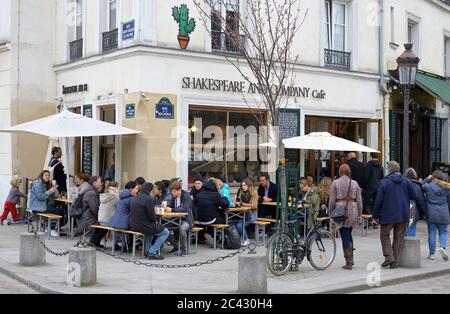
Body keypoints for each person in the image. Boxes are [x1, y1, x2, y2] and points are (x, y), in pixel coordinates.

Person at [373, 161, 418, 269]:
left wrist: (375, 215)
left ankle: (389, 257)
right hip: (403, 214)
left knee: (384, 235)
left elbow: (378, 201)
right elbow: (415, 196)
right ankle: (395, 262)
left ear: (389, 170)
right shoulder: (407, 182)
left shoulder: (384, 182)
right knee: (399, 237)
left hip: (387, 214)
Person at [328, 164, 363, 270]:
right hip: (353, 209)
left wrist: (330, 213)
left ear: (340, 172)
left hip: (340, 210)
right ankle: (351, 259)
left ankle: (348, 261)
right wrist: (360, 213)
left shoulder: (335, 183)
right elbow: (359, 200)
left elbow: (332, 200)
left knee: (344, 234)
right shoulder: (354, 183)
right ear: (349, 172)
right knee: (348, 232)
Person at [89, 181, 139, 248]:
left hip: (101, 218)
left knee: (117, 222)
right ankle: (123, 245)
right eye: (118, 187)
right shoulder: (116, 197)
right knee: (121, 224)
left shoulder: (105, 195)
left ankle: (96, 242)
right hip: (108, 220)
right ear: (116, 188)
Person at [130, 182, 169, 260]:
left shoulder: (135, 197)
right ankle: (152, 252)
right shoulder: (148, 199)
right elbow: (152, 217)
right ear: (149, 190)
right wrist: (155, 220)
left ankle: (147, 251)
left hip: (134, 225)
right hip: (143, 226)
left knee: (150, 232)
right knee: (165, 232)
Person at [422, 170, 450, 261]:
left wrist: (427, 179)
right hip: (444, 213)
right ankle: (442, 247)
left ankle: (432, 254)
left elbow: (421, 185)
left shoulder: (428, 186)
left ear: (433, 177)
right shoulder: (446, 187)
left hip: (431, 213)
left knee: (432, 233)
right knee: (443, 232)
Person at [29, 170, 64, 236]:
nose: (47, 177)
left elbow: (46, 195)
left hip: (42, 205)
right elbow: (40, 197)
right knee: (58, 212)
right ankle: (52, 229)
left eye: (48, 175)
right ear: (42, 175)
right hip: (37, 206)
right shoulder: (38, 183)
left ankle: (54, 227)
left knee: (60, 210)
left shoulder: (44, 183)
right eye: (46, 175)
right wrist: (50, 191)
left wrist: (53, 191)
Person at [195, 179, 230, 246]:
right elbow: (226, 205)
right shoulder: (215, 195)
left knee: (214, 216)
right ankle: (220, 239)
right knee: (224, 219)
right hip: (211, 219)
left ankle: (209, 234)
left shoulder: (199, 195)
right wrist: (225, 197)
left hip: (200, 219)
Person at [164, 181, 194, 256]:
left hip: (187, 220)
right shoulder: (174, 197)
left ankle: (183, 249)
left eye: (174, 192)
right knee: (162, 227)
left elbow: (185, 209)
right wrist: (165, 206)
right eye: (171, 192)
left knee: (182, 228)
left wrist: (172, 210)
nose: (172, 193)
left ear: (179, 190)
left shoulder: (186, 196)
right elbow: (170, 205)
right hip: (176, 219)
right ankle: (176, 245)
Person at [404, 168, 427, 237]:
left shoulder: (402, 184)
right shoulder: (416, 186)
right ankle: (409, 247)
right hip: (412, 211)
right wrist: (425, 212)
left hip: (402, 210)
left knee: (402, 232)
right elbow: (420, 200)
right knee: (410, 231)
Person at [363, 153, 384, 228]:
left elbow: (365, 177)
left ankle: (369, 220)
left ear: (371, 156)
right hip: (378, 188)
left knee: (366, 203)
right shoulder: (381, 166)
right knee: (376, 204)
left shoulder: (369, 165)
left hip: (369, 188)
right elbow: (382, 178)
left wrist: (363, 186)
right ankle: (375, 221)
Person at [235, 178, 258, 246]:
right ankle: (236, 239)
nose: (243, 187)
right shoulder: (241, 192)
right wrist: (237, 203)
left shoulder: (254, 193)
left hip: (252, 214)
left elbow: (254, 206)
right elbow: (238, 201)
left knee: (239, 225)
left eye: (244, 185)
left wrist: (242, 204)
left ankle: (246, 239)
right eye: (242, 185)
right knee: (233, 223)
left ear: (249, 185)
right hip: (243, 213)